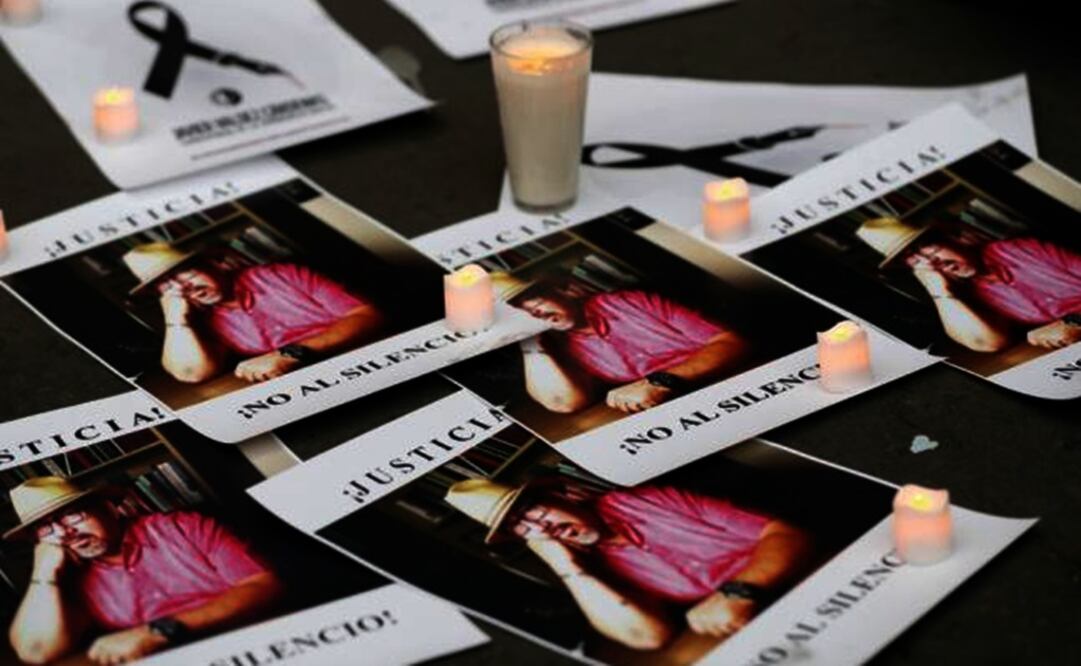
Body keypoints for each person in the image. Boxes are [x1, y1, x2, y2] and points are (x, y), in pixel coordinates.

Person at [445, 478, 812, 650]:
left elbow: (786, 535)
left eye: (532, 510)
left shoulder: (642, 500)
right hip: (767, 632)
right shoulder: (593, 571)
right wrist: (568, 568)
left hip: (812, 573)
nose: (543, 527)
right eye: (523, 528)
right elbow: (650, 636)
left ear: (560, 495)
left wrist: (738, 590)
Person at [5, 477, 283, 665]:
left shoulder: (185, 527)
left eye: (73, 514)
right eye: (47, 527)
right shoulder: (69, 576)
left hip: (263, 646)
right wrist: (43, 573)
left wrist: (157, 631)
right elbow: (36, 652)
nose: (66, 532)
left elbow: (264, 585)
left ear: (109, 508)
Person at [122, 242, 383, 384]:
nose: (184, 288)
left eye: (185, 274)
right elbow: (192, 373)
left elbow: (369, 315)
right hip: (312, 385)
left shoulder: (284, 274)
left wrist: (289, 354)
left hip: (373, 360)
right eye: (168, 286)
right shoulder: (202, 318)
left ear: (214, 263)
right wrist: (176, 320)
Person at [494, 273, 749, 415]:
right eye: (517, 313)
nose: (532, 315)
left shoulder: (630, 301)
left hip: (739, 381)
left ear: (566, 291)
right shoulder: (556, 349)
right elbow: (564, 403)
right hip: (682, 411)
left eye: (533, 302)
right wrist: (528, 340)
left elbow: (732, 342)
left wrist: (659, 382)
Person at [856, 217, 1081, 353]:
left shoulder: (1019, 249)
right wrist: (938, 290)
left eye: (929, 247)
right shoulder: (969, 295)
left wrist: (1074, 321)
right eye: (915, 261)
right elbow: (989, 343)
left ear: (953, 239)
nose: (934, 263)